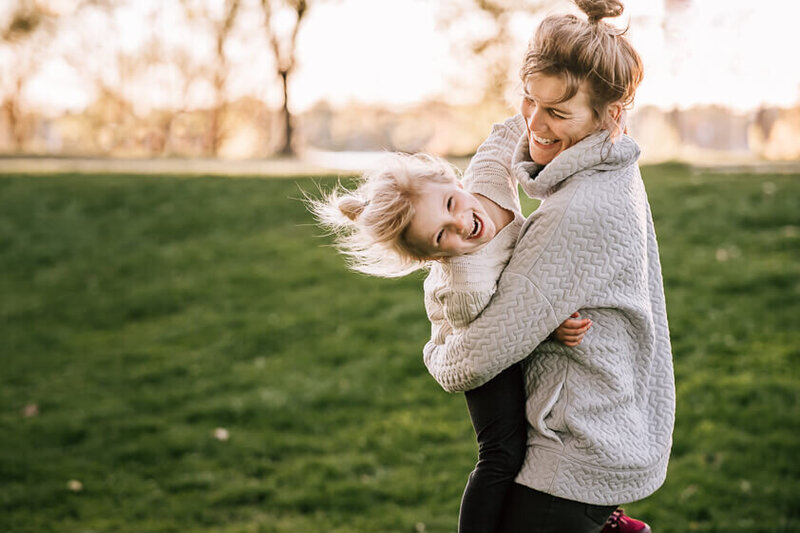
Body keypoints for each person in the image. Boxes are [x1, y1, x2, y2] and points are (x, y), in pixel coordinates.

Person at [422, 0, 675, 532]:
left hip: (568, 461)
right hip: (600, 434)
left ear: (611, 117)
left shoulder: (577, 213)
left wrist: (436, 347)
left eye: (558, 113)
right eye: (529, 101)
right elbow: (513, 132)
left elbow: (472, 363)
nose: (535, 123)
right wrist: (534, 123)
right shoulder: (613, 163)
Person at [309, 132, 592, 533]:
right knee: (502, 453)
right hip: (472, 346)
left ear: (451, 179)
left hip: (502, 319)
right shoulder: (467, 286)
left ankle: (596, 514)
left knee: (553, 437)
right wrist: (548, 327)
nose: (461, 223)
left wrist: (544, 117)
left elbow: (507, 133)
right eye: (443, 235)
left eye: (449, 204)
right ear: (434, 256)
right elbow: (496, 332)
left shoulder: (488, 186)